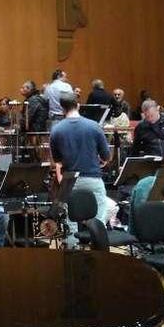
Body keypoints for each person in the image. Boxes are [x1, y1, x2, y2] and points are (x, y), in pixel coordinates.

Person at [49, 92, 111, 244]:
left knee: (70, 221)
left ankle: (72, 254)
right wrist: (100, 160)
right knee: (100, 216)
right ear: (78, 105)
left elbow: (57, 160)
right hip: (93, 178)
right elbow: (106, 156)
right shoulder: (94, 126)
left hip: (70, 180)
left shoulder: (56, 130)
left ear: (62, 109)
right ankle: (97, 248)